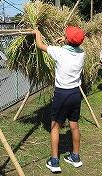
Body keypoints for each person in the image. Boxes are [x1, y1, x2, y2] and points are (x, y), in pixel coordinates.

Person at [33, 26, 85, 173]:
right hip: (75, 94)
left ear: (68, 40)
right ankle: (75, 157)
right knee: (74, 126)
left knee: (55, 127)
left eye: (65, 35)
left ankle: (54, 161)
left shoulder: (59, 52)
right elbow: (75, 45)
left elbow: (40, 45)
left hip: (62, 94)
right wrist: (66, 40)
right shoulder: (82, 53)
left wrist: (37, 33)